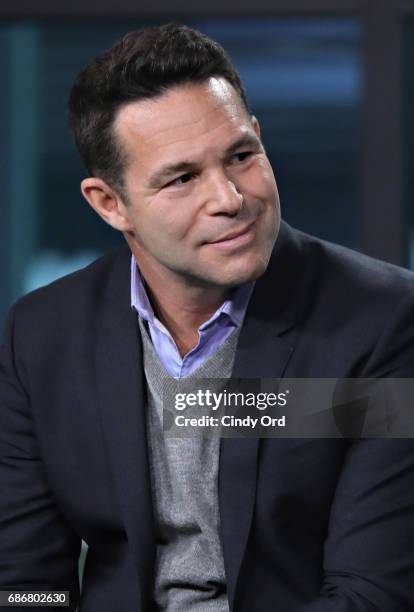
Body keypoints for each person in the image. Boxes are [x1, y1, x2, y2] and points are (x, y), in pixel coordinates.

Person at [1, 23, 414, 612]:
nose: (229, 198)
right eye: (182, 178)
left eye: (242, 156)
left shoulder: (384, 322)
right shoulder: (43, 335)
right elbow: (25, 586)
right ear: (110, 204)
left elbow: (374, 594)